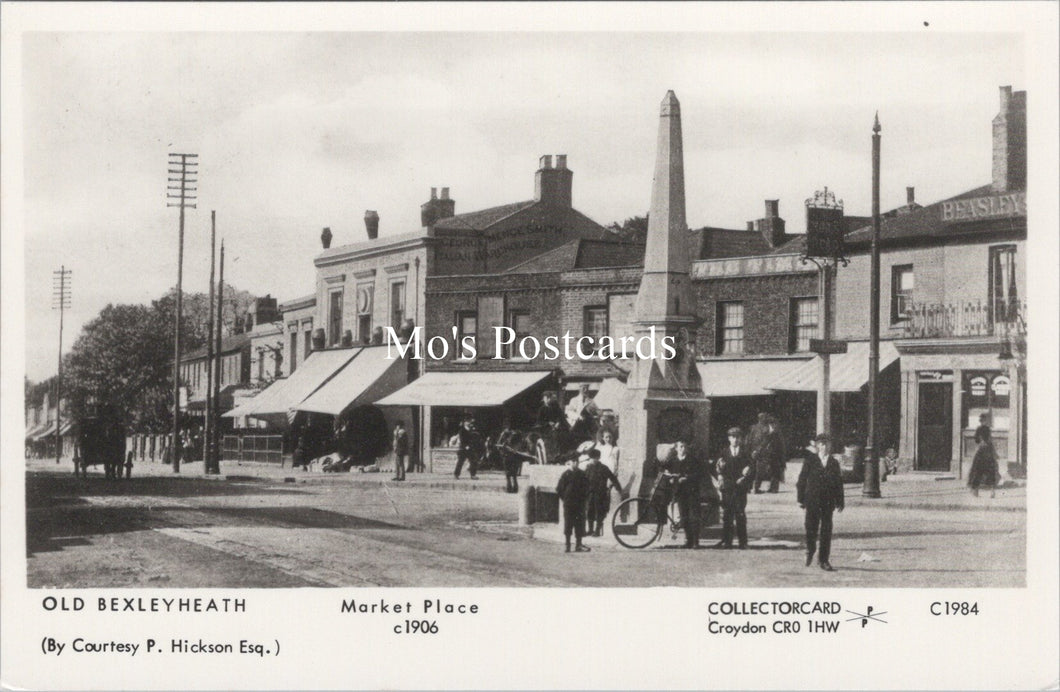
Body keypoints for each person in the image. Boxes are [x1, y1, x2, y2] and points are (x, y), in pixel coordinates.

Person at [796, 433, 845, 571]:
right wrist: (800, 499)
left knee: (826, 530)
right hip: (812, 500)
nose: (824, 447)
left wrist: (840, 500)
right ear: (817, 446)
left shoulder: (834, 463)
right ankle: (810, 550)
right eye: (821, 444)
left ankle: (823, 560)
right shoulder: (810, 460)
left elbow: (838, 483)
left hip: (828, 501)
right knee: (810, 527)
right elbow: (801, 480)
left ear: (830, 445)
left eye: (827, 444)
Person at [712, 427, 753, 549]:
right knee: (727, 515)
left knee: (740, 514)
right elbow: (716, 467)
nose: (735, 440)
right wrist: (719, 476)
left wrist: (746, 476)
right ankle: (728, 541)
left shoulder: (745, 453)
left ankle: (743, 542)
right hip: (728, 487)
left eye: (737, 437)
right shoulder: (723, 452)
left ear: (741, 439)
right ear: (729, 438)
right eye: (733, 437)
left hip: (740, 487)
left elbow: (752, 468)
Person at [659, 440, 703, 548]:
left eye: (684, 447)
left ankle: (696, 541)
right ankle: (688, 540)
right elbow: (662, 467)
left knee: (693, 517)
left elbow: (698, 474)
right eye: (680, 447)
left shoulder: (692, 460)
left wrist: (687, 478)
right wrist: (670, 477)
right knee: (684, 516)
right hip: (679, 492)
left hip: (692, 491)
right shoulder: (673, 460)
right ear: (676, 449)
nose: (682, 449)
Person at [583, 447, 624, 537]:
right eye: (591, 458)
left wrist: (618, 488)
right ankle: (590, 530)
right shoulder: (588, 468)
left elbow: (612, 478)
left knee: (599, 512)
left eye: (595, 458)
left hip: (600, 493)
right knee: (590, 511)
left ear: (598, 458)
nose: (593, 460)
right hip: (590, 493)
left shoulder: (603, 468)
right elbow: (584, 480)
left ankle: (597, 531)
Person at [556, 452, 592, 553]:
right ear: (569, 463)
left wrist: (584, 499)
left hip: (580, 504)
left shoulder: (582, 474)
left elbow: (587, 487)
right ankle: (567, 545)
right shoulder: (565, 475)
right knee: (568, 524)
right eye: (573, 462)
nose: (575, 463)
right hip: (569, 504)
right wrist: (566, 499)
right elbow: (559, 489)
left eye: (577, 461)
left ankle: (578, 545)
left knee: (579, 524)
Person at [968, 414, 998, 498]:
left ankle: (976, 491)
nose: (983, 422)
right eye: (983, 420)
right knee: (990, 471)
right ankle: (992, 491)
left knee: (978, 471)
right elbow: (989, 440)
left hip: (981, 452)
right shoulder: (988, 429)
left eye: (982, 420)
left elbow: (976, 440)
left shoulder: (979, 429)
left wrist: (980, 441)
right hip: (988, 451)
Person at [748, 413, 770, 494]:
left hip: (753, 451)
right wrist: (758, 450)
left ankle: (748, 487)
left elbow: (750, 439)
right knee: (760, 471)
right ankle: (756, 488)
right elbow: (765, 441)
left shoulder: (753, 427)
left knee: (751, 470)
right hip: (761, 452)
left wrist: (751, 450)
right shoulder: (766, 428)